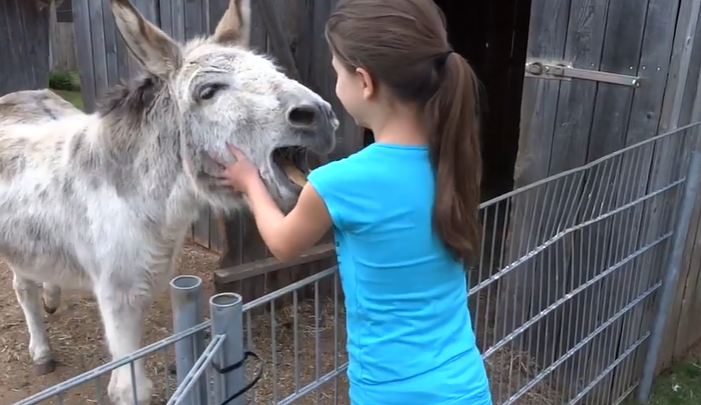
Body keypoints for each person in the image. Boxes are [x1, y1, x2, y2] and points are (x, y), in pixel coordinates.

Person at [213, 0, 491, 403]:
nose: (335, 86)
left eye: (336, 73)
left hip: (392, 392)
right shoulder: (452, 159)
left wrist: (250, 183)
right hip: (465, 383)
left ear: (364, 82)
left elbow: (282, 243)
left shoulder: (340, 183)